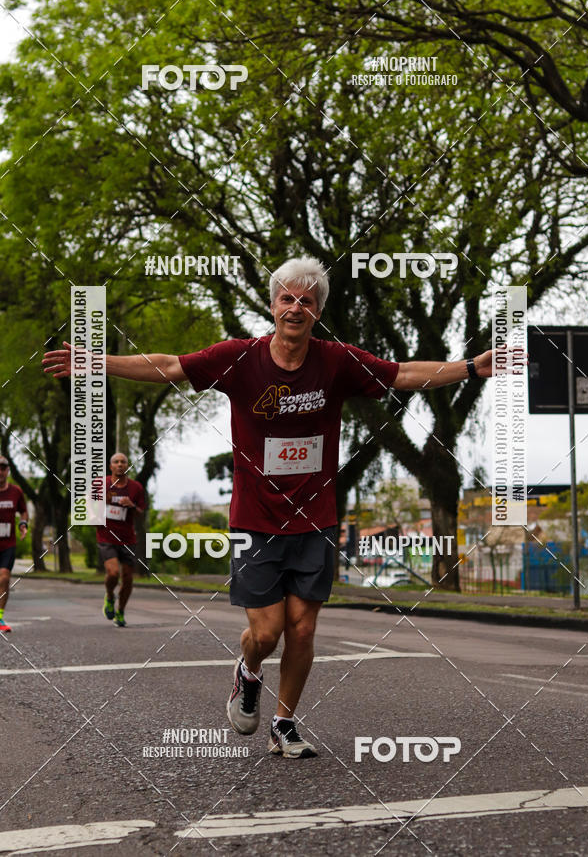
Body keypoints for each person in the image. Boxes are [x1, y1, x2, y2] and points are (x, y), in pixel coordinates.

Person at [42, 257, 503, 756]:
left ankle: (284, 724)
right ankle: (248, 671)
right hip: (256, 522)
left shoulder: (336, 361)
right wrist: (97, 362)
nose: (296, 307)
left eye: (307, 300)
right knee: (267, 631)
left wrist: (470, 368)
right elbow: (171, 365)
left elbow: (403, 373)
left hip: (315, 519)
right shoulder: (239, 357)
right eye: (288, 298)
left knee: (303, 628)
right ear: (272, 305)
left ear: (318, 310)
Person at [96, 453, 146, 627]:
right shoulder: (101, 484)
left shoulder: (136, 488)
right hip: (106, 536)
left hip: (127, 539)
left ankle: (121, 611)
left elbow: (141, 513)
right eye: (116, 462)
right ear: (110, 466)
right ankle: (109, 596)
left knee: (128, 579)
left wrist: (132, 506)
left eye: (123, 462)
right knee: (112, 573)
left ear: (127, 466)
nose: (120, 465)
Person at [0, 456, 28, 633]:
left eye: (3, 468)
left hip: (7, 543)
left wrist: (23, 524)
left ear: (8, 470)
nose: (0, 471)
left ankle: (0, 616)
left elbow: (24, 511)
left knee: (4, 578)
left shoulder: (16, 491)